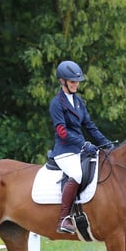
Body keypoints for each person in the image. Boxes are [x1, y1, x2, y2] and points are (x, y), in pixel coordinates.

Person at [49, 60, 114, 234]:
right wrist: (84, 144)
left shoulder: (78, 102)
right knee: (77, 174)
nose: (76, 85)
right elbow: (62, 131)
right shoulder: (56, 103)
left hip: (79, 150)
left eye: (77, 82)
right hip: (64, 151)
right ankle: (63, 219)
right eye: (72, 82)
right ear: (62, 81)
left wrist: (106, 143)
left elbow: (90, 126)